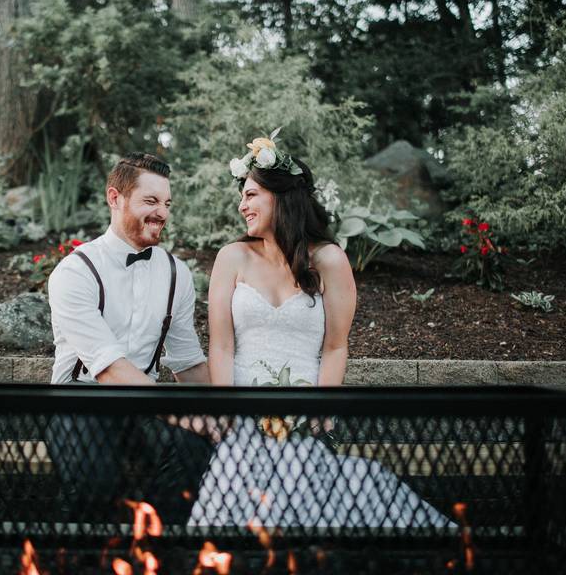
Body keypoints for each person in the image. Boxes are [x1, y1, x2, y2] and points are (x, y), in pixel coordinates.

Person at [189, 131, 451, 528]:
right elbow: (222, 346)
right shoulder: (232, 257)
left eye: (251, 195)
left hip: (304, 418)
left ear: (282, 196)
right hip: (240, 419)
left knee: (304, 517)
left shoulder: (329, 260)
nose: (242, 205)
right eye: (242, 196)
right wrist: (226, 414)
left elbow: (334, 347)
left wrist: (322, 410)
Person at [45, 153, 212, 524]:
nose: (162, 213)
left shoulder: (176, 273)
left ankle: (156, 546)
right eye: (150, 202)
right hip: (81, 399)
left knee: (192, 449)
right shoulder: (74, 272)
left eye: (167, 203)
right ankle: (75, 556)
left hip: (145, 407)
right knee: (94, 478)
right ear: (115, 198)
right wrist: (183, 414)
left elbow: (187, 362)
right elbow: (108, 370)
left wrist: (219, 414)